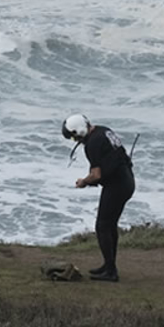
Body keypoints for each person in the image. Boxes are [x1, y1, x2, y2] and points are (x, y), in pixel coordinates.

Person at [62, 113, 135, 282]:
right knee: (110, 225)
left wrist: (83, 182)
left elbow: (96, 175)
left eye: (74, 138)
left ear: (79, 131)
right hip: (127, 181)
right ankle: (109, 265)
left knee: (102, 226)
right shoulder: (103, 130)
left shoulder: (92, 143)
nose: (75, 141)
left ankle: (111, 271)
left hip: (116, 186)